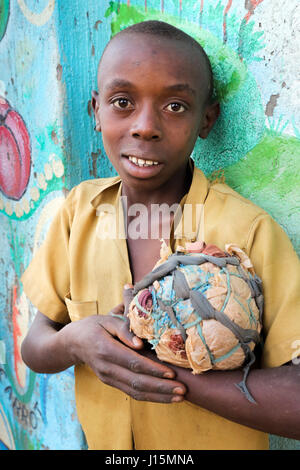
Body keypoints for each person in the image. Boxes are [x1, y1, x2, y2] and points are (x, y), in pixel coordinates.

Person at [20, 20, 300, 450]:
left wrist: (165, 366)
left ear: (207, 119)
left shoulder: (249, 233)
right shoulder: (78, 213)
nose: (145, 126)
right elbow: (37, 345)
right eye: (122, 101)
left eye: (175, 106)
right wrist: (77, 342)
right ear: (96, 110)